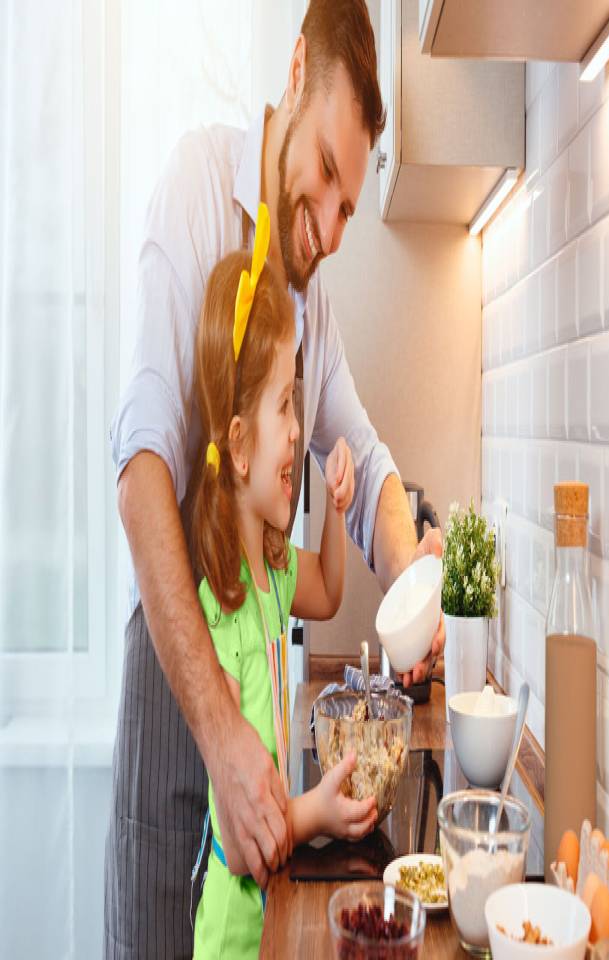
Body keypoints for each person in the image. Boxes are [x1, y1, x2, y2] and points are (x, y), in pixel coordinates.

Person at [104, 1, 444, 956]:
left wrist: (414, 564)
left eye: (348, 202)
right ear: (294, 72)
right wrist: (215, 725)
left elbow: (364, 454)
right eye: (327, 177)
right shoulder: (198, 182)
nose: (332, 228)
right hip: (178, 684)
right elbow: (140, 470)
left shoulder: (309, 289)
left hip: (243, 682)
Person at [190, 214, 377, 958]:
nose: (299, 428)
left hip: (267, 914)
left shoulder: (269, 571)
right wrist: (315, 814)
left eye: (297, 403)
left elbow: (329, 591)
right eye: (282, 405)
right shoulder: (217, 609)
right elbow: (240, 846)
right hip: (233, 937)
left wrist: (336, 514)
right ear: (238, 446)